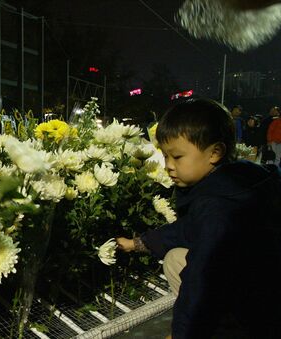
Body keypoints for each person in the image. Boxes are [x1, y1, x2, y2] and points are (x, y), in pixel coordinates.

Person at [116, 98, 281, 338]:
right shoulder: (243, 180)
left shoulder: (217, 207)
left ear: (215, 152)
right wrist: (139, 243)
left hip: (257, 313)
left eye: (178, 157)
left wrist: (181, 333)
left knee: (193, 280)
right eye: (165, 157)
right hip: (265, 288)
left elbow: (199, 281)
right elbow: (187, 228)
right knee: (175, 258)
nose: (168, 166)